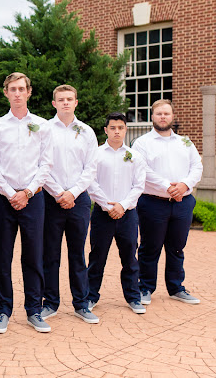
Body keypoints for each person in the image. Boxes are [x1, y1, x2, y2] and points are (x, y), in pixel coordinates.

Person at [0, 72, 52, 334]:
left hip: (33, 199)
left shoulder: (42, 126)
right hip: (4, 200)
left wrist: (26, 192)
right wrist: (8, 193)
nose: (17, 93)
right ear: (6, 93)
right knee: (1, 257)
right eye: (12, 89)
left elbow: (46, 164)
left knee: (34, 256)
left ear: (29, 92)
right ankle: (2, 311)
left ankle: (34, 310)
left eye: (21, 89)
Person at [133, 99, 203, 306]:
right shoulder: (142, 143)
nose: (163, 117)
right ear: (152, 117)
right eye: (159, 114)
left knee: (177, 247)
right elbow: (142, 170)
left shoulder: (185, 142)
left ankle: (176, 287)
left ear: (172, 116)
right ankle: (145, 287)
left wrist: (184, 185)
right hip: (153, 203)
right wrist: (168, 186)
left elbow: (197, 167)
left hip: (182, 203)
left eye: (167, 114)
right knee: (149, 247)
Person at [41, 84, 99, 324]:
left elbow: (91, 168)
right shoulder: (43, 129)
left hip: (79, 200)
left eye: (70, 99)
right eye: (61, 99)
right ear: (54, 103)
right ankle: (50, 302)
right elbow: (40, 165)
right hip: (50, 199)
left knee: (77, 254)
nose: (65, 102)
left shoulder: (87, 132)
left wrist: (72, 193)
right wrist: (58, 193)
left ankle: (81, 304)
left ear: (76, 102)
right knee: (50, 254)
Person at [86, 112, 146, 314]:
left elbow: (139, 186)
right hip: (103, 214)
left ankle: (133, 297)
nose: (117, 131)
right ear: (106, 130)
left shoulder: (135, 156)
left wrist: (122, 205)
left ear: (125, 129)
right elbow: (91, 182)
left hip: (127, 214)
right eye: (112, 128)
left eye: (120, 127)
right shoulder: (95, 154)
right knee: (97, 256)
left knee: (130, 257)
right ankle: (90, 296)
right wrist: (107, 205)